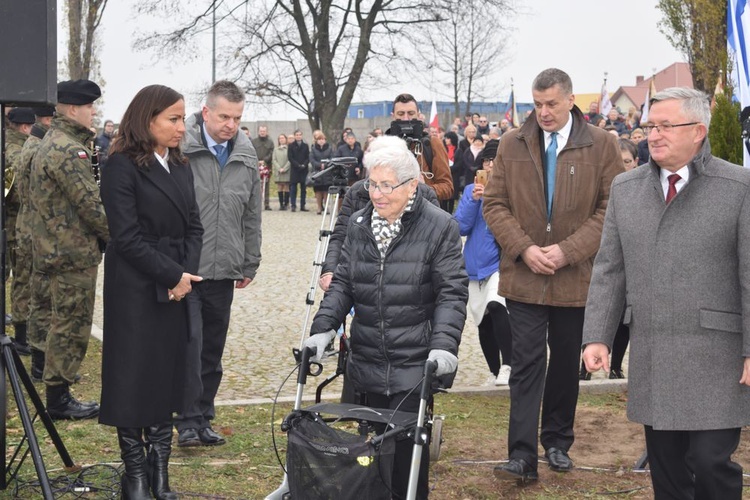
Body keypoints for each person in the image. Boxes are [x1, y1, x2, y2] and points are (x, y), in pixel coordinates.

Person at [582, 87, 750, 499]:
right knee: (668, 473)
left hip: (718, 356)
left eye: (664, 126)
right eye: (649, 126)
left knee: (711, 463)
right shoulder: (626, 189)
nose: (652, 135)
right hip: (655, 353)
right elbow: (609, 268)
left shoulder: (738, 186)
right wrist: (598, 335)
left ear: (698, 130)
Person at [304, 135, 468, 499]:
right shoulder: (361, 224)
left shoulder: (440, 227)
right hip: (366, 359)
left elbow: (452, 293)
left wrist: (443, 346)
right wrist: (323, 329)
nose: (377, 194)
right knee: (368, 456)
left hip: (413, 363)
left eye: (386, 186)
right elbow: (344, 281)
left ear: (412, 187)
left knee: (408, 459)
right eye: (372, 185)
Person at [482, 68, 623, 483]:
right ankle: (521, 456)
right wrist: (524, 248)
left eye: (551, 104)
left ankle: (557, 441)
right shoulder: (512, 143)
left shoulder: (602, 145)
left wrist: (567, 251)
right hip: (524, 278)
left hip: (575, 279)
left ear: (569, 101)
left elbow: (610, 209)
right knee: (525, 365)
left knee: (565, 364)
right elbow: (495, 204)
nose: (543, 112)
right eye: (537, 104)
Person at [98, 84, 203, 499]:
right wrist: (171, 275)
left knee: (166, 374)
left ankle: (160, 471)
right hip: (136, 286)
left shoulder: (180, 164)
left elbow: (194, 225)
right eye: (173, 119)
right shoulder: (121, 165)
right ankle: (136, 475)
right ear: (148, 119)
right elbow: (125, 237)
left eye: (182, 119)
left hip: (175, 284)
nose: (181, 127)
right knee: (133, 376)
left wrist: (184, 275)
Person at [178, 80, 262, 447]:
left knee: (212, 348)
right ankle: (185, 421)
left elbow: (251, 214)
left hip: (224, 268)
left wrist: (250, 262)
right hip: (186, 268)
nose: (231, 124)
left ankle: (204, 417)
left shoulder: (245, 155)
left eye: (238, 117)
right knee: (188, 345)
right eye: (225, 116)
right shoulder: (182, 150)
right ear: (207, 112)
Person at [29, 79, 110, 420]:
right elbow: (91, 205)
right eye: (91, 107)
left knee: (56, 319)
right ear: (74, 108)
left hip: (56, 249)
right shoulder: (67, 149)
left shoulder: (52, 141)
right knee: (71, 324)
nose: (94, 112)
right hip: (71, 253)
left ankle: (56, 390)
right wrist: (120, 236)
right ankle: (59, 399)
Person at [453, 139, 512, 386]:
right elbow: (460, 226)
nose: (490, 164)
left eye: (495, 159)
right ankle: (493, 370)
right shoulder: (470, 191)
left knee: (497, 307)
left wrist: (492, 199)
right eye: (487, 160)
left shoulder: (511, 190)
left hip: (498, 263)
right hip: (474, 267)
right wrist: (475, 200)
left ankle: (509, 365)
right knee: (482, 320)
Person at [18, 106, 55, 379]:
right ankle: (40, 365)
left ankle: (41, 362)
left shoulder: (31, 145)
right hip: (36, 230)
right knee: (40, 298)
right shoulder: (36, 148)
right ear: (48, 119)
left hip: (31, 227)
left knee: (38, 295)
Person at [5, 107, 35, 355]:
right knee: (22, 280)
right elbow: (12, 194)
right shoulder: (16, 152)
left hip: (11, 225)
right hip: (16, 224)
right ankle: (22, 338)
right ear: (26, 127)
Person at [386, 93, 453, 201]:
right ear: (393, 115)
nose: (406, 118)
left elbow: (447, 187)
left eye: (411, 113)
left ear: (418, 114)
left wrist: (424, 189)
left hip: (423, 212)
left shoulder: (432, 144)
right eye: (401, 113)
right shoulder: (383, 145)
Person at [310, 130, 334, 214]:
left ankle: (326, 206)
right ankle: (319, 207)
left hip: (327, 172)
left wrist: (326, 165)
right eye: (319, 139)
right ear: (316, 140)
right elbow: (312, 160)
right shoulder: (313, 149)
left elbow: (332, 159)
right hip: (317, 172)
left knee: (326, 191)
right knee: (318, 191)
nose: (321, 141)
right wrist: (319, 165)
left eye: (323, 139)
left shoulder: (329, 148)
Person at [252, 125, 274, 210]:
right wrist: (257, 161)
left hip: (266, 167)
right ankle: (255, 204)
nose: (262, 132)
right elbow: (251, 151)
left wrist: (264, 161)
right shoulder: (253, 142)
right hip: (255, 166)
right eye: (261, 131)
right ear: (258, 131)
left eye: (264, 131)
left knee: (266, 186)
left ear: (266, 132)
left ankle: (266, 203)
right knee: (255, 185)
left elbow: (271, 153)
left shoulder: (270, 142)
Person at [287, 129, 310, 212]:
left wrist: (304, 164)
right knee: (293, 188)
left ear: (302, 136)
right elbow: (290, 157)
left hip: (304, 169)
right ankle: (293, 205)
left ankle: (302, 205)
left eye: (300, 135)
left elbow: (308, 157)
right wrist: (297, 165)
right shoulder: (291, 145)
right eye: (297, 135)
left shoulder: (305, 146)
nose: (298, 136)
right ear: (294, 136)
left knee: (303, 189)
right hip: (295, 169)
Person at [272, 134, 291, 210]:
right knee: (280, 187)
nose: (281, 140)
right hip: (278, 171)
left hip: (286, 170)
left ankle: (286, 203)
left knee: (286, 187)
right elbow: (274, 160)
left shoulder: (289, 149)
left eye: (283, 138)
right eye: (280, 138)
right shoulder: (276, 149)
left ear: (286, 139)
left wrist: (285, 168)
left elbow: (290, 159)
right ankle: (281, 204)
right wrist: (279, 168)